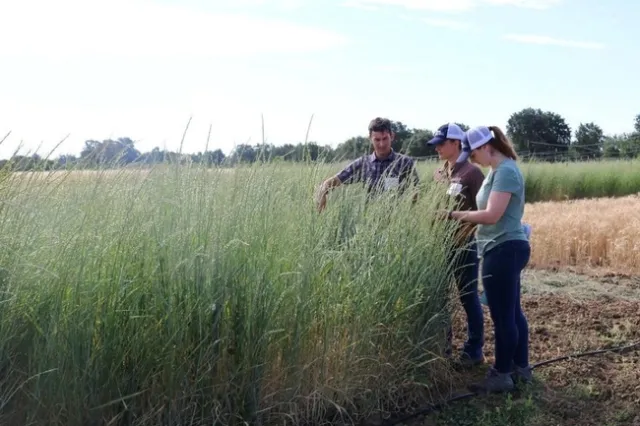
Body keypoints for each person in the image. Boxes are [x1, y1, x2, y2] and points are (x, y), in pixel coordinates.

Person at [443, 125, 532, 393]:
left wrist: (453, 215)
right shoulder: (499, 171)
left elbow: (492, 215)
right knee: (513, 312)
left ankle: (502, 374)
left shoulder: (505, 171)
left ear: (485, 147)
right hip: (501, 247)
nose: (472, 161)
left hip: (504, 248)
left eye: (473, 154)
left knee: (503, 316)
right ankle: (521, 368)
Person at [428, 123, 486, 368]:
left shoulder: (472, 173)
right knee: (440, 298)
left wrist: (466, 232)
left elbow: (482, 211)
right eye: (436, 144)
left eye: (442, 143)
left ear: (456, 143)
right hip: (440, 246)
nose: (437, 148)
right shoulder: (439, 173)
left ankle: (474, 350)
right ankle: (444, 347)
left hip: (464, 247)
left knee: (467, 297)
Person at [315, 117, 420, 212]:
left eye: (385, 139)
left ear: (391, 136)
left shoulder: (405, 162)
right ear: (370, 138)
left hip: (398, 223)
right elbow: (338, 179)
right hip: (369, 226)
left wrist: (409, 212)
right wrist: (323, 189)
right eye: (377, 140)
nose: (382, 144)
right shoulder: (363, 164)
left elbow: (417, 190)